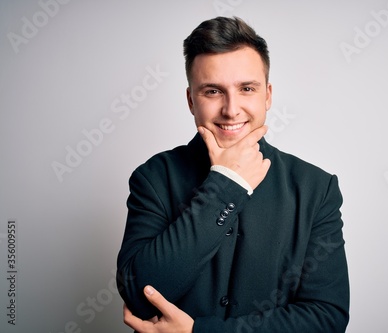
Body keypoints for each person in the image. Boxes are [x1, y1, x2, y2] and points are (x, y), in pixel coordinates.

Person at [117, 16, 349, 333]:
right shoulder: (154, 178)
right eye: (213, 91)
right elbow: (139, 295)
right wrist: (226, 185)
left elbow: (326, 318)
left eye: (247, 89)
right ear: (190, 101)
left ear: (267, 95)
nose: (231, 109)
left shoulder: (316, 188)